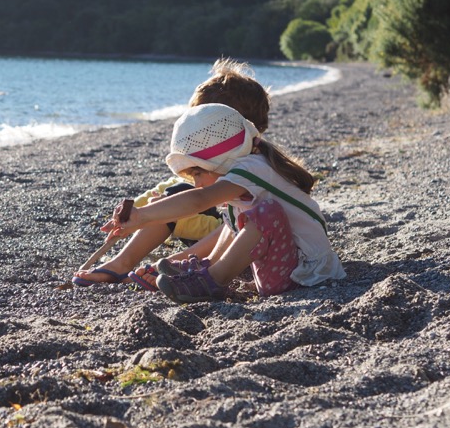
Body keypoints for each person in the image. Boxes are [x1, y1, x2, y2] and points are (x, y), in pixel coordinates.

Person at [104, 103, 344, 302]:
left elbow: (198, 200)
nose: (196, 183)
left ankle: (213, 280)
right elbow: (227, 224)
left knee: (266, 213)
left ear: (220, 160)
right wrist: (140, 220)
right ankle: (207, 268)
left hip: (304, 272)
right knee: (235, 216)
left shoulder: (253, 169)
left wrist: (142, 215)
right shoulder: (245, 174)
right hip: (284, 267)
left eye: (198, 173)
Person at [72, 58, 270, 286]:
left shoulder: (251, 167)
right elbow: (172, 187)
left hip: (241, 236)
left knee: (182, 200)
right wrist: (141, 209)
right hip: (226, 230)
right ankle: (128, 263)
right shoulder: (231, 161)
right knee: (173, 193)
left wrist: (155, 216)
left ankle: (163, 264)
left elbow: (208, 206)